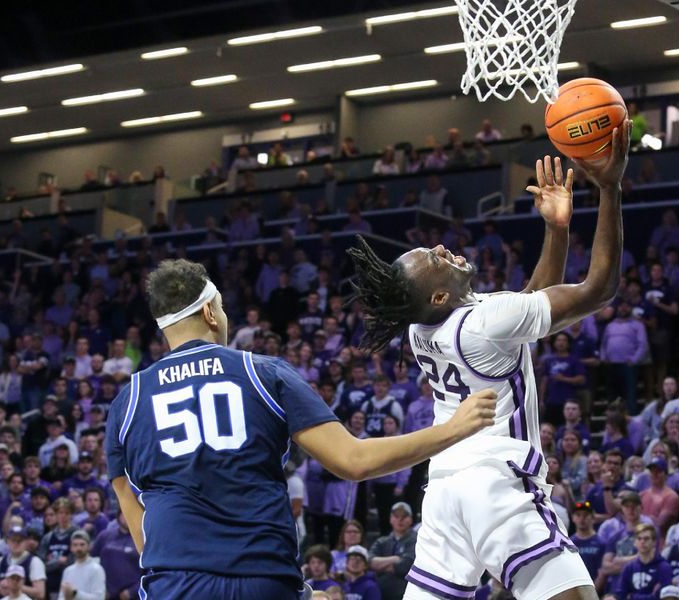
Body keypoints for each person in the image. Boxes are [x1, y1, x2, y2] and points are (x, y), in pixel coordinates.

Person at [348, 122, 632, 600]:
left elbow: (527, 308)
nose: (442, 248)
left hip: (443, 489)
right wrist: (609, 186)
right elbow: (598, 289)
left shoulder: (421, 329)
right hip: (495, 480)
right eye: (435, 259)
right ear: (439, 293)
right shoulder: (484, 322)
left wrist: (556, 230)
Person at [105, 259, 497, 599]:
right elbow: (353, 461)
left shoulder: (127, 402)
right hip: (262, 580)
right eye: (222, 309)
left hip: (175, 584)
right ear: (210, 312)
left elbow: (138, 522)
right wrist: (452, 428)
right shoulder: (261, 373)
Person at [369, 502, 417, 600]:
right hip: (381, 593)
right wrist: (395, 558)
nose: (400, 520)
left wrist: (380, 566)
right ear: (391, 519)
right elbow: (370, 562)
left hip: (405, 594)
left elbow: (405, 566)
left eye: (404, 516)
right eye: (396, 516)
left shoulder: (416, 540)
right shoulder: (381, 541)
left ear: (411, 519)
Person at [90, 510, 140, 600]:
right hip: (106, 593)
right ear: (118, 516)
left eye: (132, 514)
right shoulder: (104, 536)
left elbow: (150, 570)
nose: (128, 517)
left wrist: (133, 591)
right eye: (125, 514)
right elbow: (91, 561)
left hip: (132, 595)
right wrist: (99, 587)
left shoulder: (142, 539)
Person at [615, 523, 672, 600]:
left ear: (654, 542)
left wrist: (631, 596)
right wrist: (651, 596)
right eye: (639, 538)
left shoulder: (664, 567)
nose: (642, 542)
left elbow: (663, 596)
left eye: (646, 538)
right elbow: (621, 595)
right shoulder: (629, 568)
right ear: (635, 542)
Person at [0, 525, 46, 600]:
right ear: (8, 541)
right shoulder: (1, 560)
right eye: (13, 540)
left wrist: (15, 586)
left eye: (20, 540)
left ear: (26, 542)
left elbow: (40, 593)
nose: (16, 543)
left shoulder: (34, 561)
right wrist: (0, 589)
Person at [570, 501, 607, 593]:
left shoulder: (601, 543)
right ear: (573, 518)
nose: (582, 519)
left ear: (593, 518)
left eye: (586, 515)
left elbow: (603, 572)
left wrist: (592, 594)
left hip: (597, 592)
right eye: (578, 515)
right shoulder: (568, 543)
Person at [56, 530, 105, 600]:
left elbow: (99, 598)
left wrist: (75, 593)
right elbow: (61, 597)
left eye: (82, 544)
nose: (78, 548)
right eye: (75, 545)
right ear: (71, 548)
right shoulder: (67, 571)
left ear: (89, 546)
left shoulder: (97, 569)